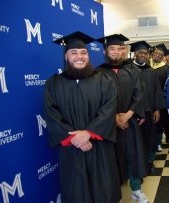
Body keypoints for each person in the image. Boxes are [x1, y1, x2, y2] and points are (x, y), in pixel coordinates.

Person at [44, 31, 121, 203]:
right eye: (74, 53)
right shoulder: (54, 83)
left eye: (83, 52)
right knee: (76, 191)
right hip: (71, 148)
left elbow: (109, 109)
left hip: (99, 146)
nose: (79, 57)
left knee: (104, 189)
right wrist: (73, 138)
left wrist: (88, 133)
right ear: (66, 56)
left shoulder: (103, 79)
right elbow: (52, 114)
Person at [96, 34, 149, 203]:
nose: (117, 52)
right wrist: (113, 118)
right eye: (113, 49)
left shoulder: (132, 69)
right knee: (111, 161)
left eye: (120, 49)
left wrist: (129, 114)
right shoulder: (97, 72)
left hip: (130, 121)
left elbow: (139, 93)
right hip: (108, 125)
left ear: (124, 51)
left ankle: (136, 190)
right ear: (105, 51)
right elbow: (94, 100)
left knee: (133, 156)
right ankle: (114, 195)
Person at [130, 40, 165, 174]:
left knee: (150, 138)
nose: (143, 55)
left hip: (149, 111)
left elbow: (157, 91)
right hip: (134, 113)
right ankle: (137, 163)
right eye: (140, 53)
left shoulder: (151, 71)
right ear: (135, 54)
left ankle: (149, 161)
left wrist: (157, 109)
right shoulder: (128, 69)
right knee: (136, 140)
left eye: (145, 53)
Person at [150, 43, 169, 145]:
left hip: (161, 98)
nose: (157, 55)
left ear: (163, 56)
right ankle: (154, 138)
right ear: (153, 53)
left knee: (164, 118)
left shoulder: (165, 69)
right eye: (156, 53)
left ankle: (168, 134)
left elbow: (168, 85)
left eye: (160, 54)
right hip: (149, 98)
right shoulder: (147, 65)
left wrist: (164, 97)